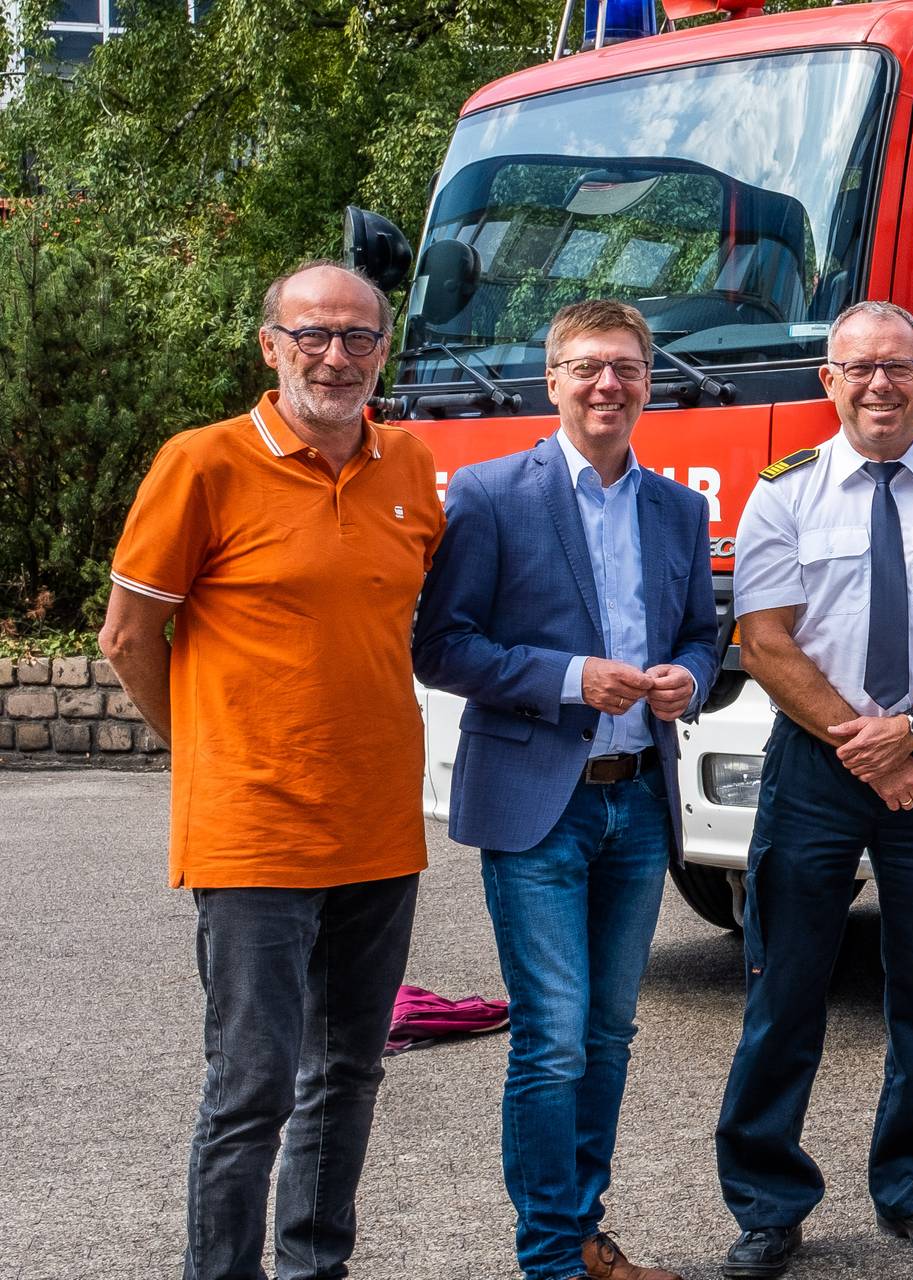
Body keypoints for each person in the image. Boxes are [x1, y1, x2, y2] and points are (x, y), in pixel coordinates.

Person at [99, 261, 444, 1280]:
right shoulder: (201, 463)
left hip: (380, 824)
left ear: (384, 351)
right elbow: (128, 636)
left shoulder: (409, 465)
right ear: (269, 345)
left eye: (358, 338)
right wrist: (208, 749)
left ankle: (314, 1263)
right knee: (250, 1085)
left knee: (349, 1068)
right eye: (312, 335)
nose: (335, 356)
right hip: (253, 829)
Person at [713, 301, 913, 1277]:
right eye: (858, 367)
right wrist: (868, 742)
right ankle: (769, 1203)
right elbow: (762, 637)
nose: (879, 384)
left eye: (898, 366)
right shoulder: (783, 494)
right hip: (816, 763)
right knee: (786, 984)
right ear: (829, 381)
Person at [413, 299, 723, 1280]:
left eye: (626, 367)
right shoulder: (490, 493)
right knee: (550, 1038)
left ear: (646, 382)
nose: (607, 385)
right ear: (552, 380)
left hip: (637, 800)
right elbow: (442, 643)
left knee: (608, 1031)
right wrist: (567, 677)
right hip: (537, 799)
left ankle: (584, 1233)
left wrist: (689, 677)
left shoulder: (679, 507)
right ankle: (548, 1256)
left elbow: (698, 633)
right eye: (587, 366)